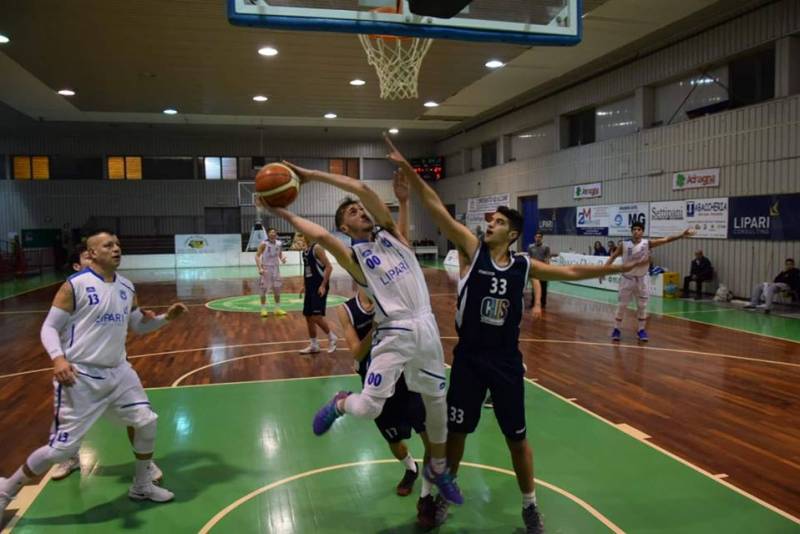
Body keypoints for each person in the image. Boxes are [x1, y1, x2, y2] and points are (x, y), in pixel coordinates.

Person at [385, 134, 644, 533]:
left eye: (499, 222)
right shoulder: (473, 250)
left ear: (512, 234)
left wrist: (613, 270)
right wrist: (410, 171)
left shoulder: (524, 265)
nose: (490, 224)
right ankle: (441, 499)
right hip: (469, 357)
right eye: (490, 220)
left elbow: (572, 272)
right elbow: (436, 208)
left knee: (516, 438)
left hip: (506, 361)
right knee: (457, 433)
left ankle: (529, 505)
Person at [260, 162, 464, 511]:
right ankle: (341, 402)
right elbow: (321, 236)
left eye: (361, 208)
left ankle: (439, 469)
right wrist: (281, 212)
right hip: (394, 331)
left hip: (427, 327)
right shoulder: (356, 256)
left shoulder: (393, 235)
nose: (361, 211)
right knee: (369, 408)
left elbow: (362, 188)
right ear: (344, 227)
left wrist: (313, 175)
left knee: (437, 411)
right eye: (353, 212)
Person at [0, 231, 188, 518]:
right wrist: (58, 358)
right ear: (91, 253)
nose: (116, 249)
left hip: (119, 371)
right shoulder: (74, 286)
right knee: (60, 451)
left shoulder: (127, 286)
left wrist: (166, 319)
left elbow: (138, 326)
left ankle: (141, 485)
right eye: (108, 245)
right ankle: (5, 491)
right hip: (80, 376)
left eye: (117, 245)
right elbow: (49, 327)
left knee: (146, 422)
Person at [50, 244, 166, 483]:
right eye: (88, 257)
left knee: (139, 416)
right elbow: (51, 328)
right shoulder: (71, 292)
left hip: (114, 369)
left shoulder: (117, 287)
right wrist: (59, 357)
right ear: (77, 265)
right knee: (69, 420)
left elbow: (133, 321)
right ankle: (69, 457)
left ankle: (145, 464)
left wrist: (147, 318)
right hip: (78, 370)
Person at [338, 288, 431, 504]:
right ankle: (410, 468)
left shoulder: (395, 298)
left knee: (430, 436)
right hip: (376, 385)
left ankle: (429, 494)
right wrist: (375, 328)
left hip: (407, 378)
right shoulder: (346, 310)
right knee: (394, 440)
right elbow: (356, 353)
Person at [605, 222, 695, 342]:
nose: (636, 231)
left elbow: (666, 239)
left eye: (639, 229)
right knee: (622, 305)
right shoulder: (624, 244)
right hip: (627, 279)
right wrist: (603, 270)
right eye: (634, 229)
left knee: (642, 306)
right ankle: (616, 329)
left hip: (642, 279)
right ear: (631, 231)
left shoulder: (647, 243)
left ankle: (641, 330)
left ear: (642, 232)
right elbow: (613, 257)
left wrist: (682, 235)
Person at [298, 234, 338, 354]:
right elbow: (307, 269)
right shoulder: (305, 251)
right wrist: (304, 285)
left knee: (316, 316)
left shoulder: (317, 248)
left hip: (318, 286)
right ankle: (314, 345)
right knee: (308, 316)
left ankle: (332, 337)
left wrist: (323, 285)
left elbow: (329, 267)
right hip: (310, 287)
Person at [256, 227, 287, 317]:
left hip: (276, 269)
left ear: (276, 234)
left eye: (274, 233)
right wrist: (259, 268)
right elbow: (257, 256)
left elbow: (280, 254)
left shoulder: (279, 243)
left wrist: (283, 258)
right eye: (271, 233)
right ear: (268, 234)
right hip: (266, 269)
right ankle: (263, 309)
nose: (273, 234)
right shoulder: (263, 244)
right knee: (264, 289)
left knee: (277, 289)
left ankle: (277, 309)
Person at [527, 232, 551, 309]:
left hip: (543, 271)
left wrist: (546, 267)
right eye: (536, 237)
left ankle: (543, 304)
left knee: (543, 288)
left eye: (539, 237)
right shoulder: (530, 247)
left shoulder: (546, 247)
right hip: (534, 271)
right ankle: (533, 303)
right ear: (534, 237)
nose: (538, 238)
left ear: (542, 238)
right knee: (534, 288)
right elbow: (529, 258)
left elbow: (547, 258)